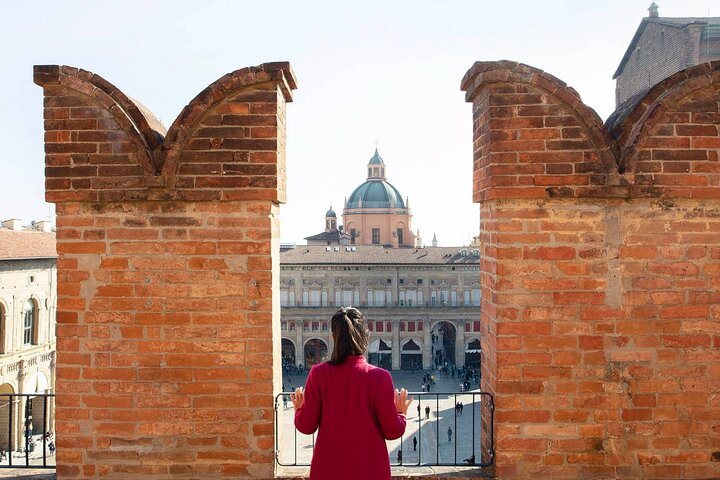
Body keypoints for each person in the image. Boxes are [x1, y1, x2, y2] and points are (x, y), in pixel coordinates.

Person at [293, 307, 412, 480]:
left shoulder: (318, 374)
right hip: (371, 470)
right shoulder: (380, 377)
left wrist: (298, 409)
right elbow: (392, 431)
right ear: (364, 336)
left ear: (334, 337)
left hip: (328, 470)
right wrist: (401, 413)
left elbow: (306, 426)